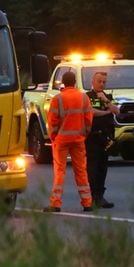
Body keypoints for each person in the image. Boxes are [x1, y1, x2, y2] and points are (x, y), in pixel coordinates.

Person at [45, 70, 93, 212]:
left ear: (63, 83)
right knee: (81, 171)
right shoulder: (83, 98)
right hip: (79, 139)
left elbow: (52, 121)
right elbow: (89, 120)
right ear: (75, 82)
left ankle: (56, 203)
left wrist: (54, 137)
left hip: (61, 140)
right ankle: (87, 203)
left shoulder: (57, 99)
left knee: (59, 171)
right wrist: (84, 134)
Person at [86, 70, 119, 209]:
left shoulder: (108, 96)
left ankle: (100, 196)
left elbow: (117, 111)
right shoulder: (87, 96)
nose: (101, 84)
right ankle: (92, 196)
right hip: (93, 137)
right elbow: (90, 112)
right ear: (92, 82)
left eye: (104, 82)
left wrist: (105, 100)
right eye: (99, 81)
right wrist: (106, 112)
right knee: (92, 167)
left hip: (106, 138)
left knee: (103, 167)